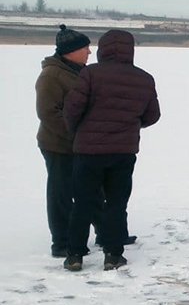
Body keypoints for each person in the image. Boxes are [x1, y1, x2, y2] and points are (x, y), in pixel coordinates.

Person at [62, 29, 160, 271]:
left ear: (102, 49)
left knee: (83, 202)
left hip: (88, 151)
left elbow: (72, 109)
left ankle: (75, 255)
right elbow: (152, 115)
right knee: (117, 203)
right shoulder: (144, 79)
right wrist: (130, 124)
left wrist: (79, 131)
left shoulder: (89, 74)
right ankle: (113, 254)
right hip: (123, 152)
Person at [35, 25, 91, 257]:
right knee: (60, 193)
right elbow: (48, 113)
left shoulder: (79, 71)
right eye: (85, 48)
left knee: (89, 190)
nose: (89, 52)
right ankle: (61, 242)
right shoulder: (51, 75)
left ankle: (99, 233)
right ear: (71, 51)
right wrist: (75, 135)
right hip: (58, 145)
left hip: (80, 145)